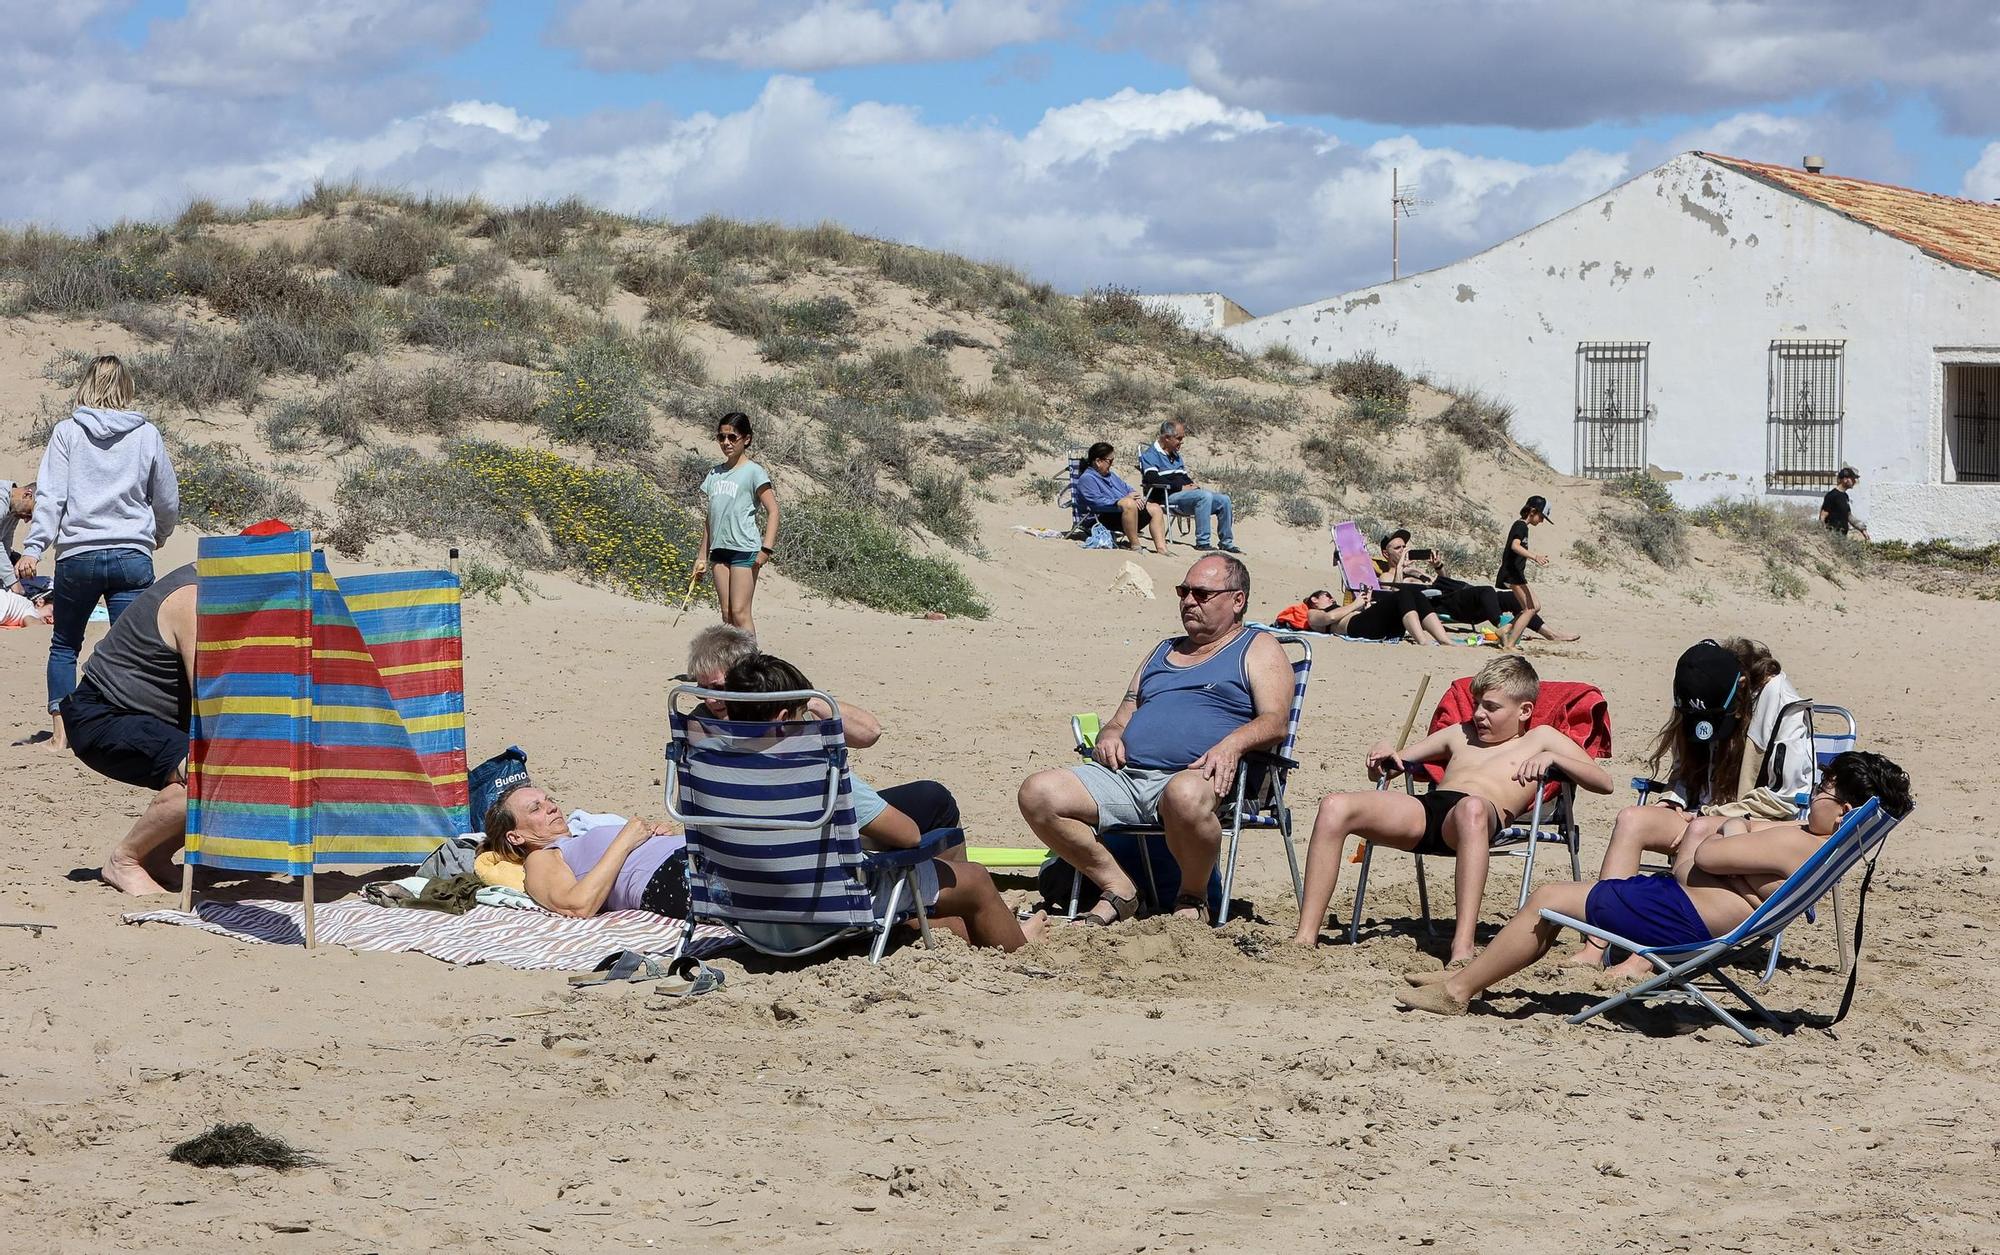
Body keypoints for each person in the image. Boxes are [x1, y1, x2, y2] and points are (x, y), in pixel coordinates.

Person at [1397, 750, 1913, 1018]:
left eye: (1824, 789)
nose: (1814, 795)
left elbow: (1697, 859)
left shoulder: (1796, 843)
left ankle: (1459, 990)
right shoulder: (1824, 847)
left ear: (1845, 809)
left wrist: (1725, 828)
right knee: (1561, 898)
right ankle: (1467, 981)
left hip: (1678, 913)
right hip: (1699, 913)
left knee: (1549, 899)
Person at [1017, 554, 1293, 924]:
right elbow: (1119, 719)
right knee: (1037, 792)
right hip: (1128, 777)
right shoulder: (1162, 651)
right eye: (1183, 591)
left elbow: (1276, 722)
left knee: (1182, 794)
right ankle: (1120, 888)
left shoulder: (1257, 647)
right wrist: (1110, 737)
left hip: (1201, 776)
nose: (1188, 600)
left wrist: (1232, 744)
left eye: (1201, 593)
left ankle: (1192, 897)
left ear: (1237, 600)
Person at [1289, 655, 1614, 964]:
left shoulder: (1542, 738)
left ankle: (1462, 946)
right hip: (1431, 813)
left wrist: (1556, 759)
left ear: (1525, 710)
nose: (1478, 714)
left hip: (1480, 817)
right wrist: (1385, 756)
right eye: (1476, 705)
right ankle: (1305, 937)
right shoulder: (1461, 732)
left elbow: (1604, 783)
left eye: (1491, 707)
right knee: (1335, 805)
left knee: (1471, 809)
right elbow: (1398, 763)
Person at [722, 653, 1048, 952]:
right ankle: (1018, 945)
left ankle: (985, 926)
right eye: (804, 715)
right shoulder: (817, 771)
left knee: (918, 908)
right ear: (782, 720)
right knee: (974, 879)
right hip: (818, 918)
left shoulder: (709, 769)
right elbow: (908, 836)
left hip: (751, 919)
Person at [1562, 638, 1813, 977]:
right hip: (1701, 816)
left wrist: (1712, 817)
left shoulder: (1783, 708)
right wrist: (1672, 800)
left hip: (1749, 827)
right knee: (1631, 819)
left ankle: (1647, 954)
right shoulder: (1701, 688)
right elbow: (1686, 771)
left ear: (1741, 689)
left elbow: (1787, 798)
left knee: (1697, 832)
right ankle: (1597, 945)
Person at [15, 356, 179, 749]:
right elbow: (167, 497)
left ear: (86, 384)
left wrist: (35, 546)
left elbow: (51, 496)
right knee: (138, 648)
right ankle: (132, 729)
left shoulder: (68, 432)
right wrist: (158, 534)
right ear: (126, 387)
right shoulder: (146, 434)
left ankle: (61, 733)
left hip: (79, 554)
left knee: (65, 644)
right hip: (130, 554)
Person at [59, 562, 197, 895]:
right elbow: (208, 696)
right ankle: (125, 860)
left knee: (225, 772)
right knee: (204, 774)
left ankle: (157, 857)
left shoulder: (213, 590)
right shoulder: (193, 600)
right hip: (106, 716)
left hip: (140, 717)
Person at [480, 785, 692, 918]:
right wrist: (625, 841)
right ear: (516, 836)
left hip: (688, 855)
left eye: (549, 800)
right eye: (536, 808)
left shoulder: (578, 838)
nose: (552, 807)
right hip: (669, 875)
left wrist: (657, 836)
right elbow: (577, 906)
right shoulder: (541, 857)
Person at [1375, 529, 1579, 642]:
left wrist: (1438, 567)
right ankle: (1503, 629)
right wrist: (1401, 567)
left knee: (1510, 597)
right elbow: (1393, 595)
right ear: (1386, 553)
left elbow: (1443, 581)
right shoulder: (1387, 575)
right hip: (1443, 605)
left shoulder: (1415, 571)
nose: (1403, 550)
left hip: (1457, 595)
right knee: (1486, 591)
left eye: (1404, 547)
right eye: (1397, 548)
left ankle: (1549, 633)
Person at [694, 412, 780, 637]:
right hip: (720, 550)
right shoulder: (715, 473)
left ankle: (751, 666)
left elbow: (773, 510)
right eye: (722, 437)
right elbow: (710, 518)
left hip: (744, 549)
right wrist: (701, 556)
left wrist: (766, 549)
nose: (726, 443)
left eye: (733, 437)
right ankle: (734, 665)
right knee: (727, 614)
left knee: (741, 613)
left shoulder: (754, 471)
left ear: (746, 439)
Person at [1138, 420, 1240, 554]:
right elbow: (1152, 479)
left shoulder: (1175, 455)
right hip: (1167, 496)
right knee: (1204, 496)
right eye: (1178, 438)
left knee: (1224, 500)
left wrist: (1192, 485)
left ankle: (1226, 542)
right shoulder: (1151, 455)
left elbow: (1183, 476)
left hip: (1184, 495)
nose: (1181, 442)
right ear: (1167, 438)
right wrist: (1181, 487)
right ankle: (1203, 542)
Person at [1274, 585, 1461, 646]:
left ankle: (1444, 640)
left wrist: (1366, 605)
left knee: (1414, 594)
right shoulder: (1313, 614)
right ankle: (1422, 642)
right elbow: (1330, 619)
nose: (1331, 598)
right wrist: (1355, 604)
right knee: (1402, 594)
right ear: (1314, 599)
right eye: (1327, 596)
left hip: (1369, 623)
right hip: (1358, 627)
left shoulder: (1341, 608)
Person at [1074, 441, 1167, 555]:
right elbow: (1097, 502)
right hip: (1099, 518)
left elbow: (1128, 488)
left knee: (1155, 508)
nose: (1112, 464)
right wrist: (1124, 499)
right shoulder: (1087, 479)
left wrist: (1136, 498)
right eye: (1110, 461)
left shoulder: (1110, 475)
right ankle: (1135, 545)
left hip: (1119, 514)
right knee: (1128, 503)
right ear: (1098, 461)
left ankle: (1162, 549)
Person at [1495, 495, 1553, 651]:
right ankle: (1510, 644)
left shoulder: (1523, 527)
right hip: (1512, 574)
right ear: (1533, 511)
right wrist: (1535, 556)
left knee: (1535, 606)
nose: (1541, 521)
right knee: (1530, 608)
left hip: (1516, 574)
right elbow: (1515, 546)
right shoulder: (1520, 526)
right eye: (1541, 516)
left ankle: (1505, 629)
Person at [1820, 467, 1869, 541]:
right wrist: (1823, 535)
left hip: (1842, 538)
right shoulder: (1832, 495)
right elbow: (1823, 516)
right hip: (1832, 537)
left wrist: (1862, 529)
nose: (1854, 481)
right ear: (1845, 479)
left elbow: (1848, 516)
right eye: (1852, 479)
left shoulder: (1845, 496)